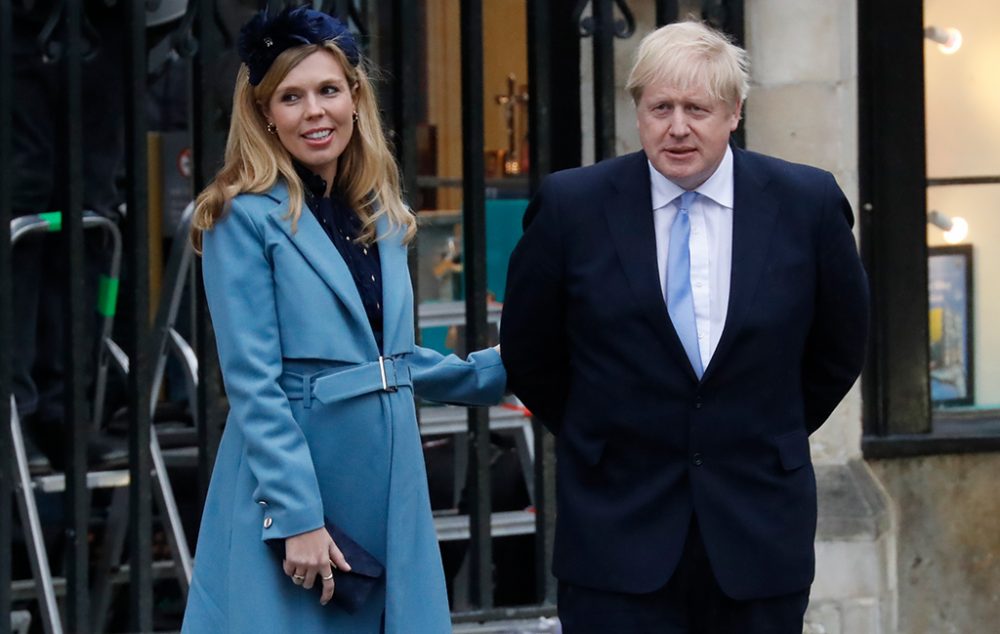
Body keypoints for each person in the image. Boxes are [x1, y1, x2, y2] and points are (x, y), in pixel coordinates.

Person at [500, 21, 869, 634]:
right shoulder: (572, 207)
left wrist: (755, 427)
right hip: (617, 532)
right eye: (660, 107)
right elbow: (532, 352)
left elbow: (839, 347)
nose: (677, 127)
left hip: (757, 535)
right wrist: (605, 432)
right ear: (637, 110)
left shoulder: (807, 204)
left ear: (735, 112)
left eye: (697, 108)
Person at [181, 7, 506, 633]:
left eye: (328, 90)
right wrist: (296, 514)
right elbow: (252, 382)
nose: (314, 112)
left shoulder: (378, 212)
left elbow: (393, 360)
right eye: (291, 97)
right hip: (299, 476)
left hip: (390, 481)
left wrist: (504, 369)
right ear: (265, 114)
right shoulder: (238, 217)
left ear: (355, 98)